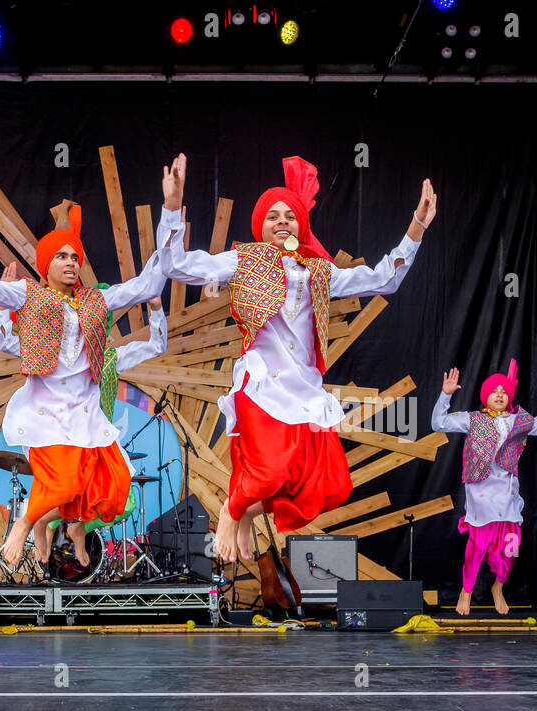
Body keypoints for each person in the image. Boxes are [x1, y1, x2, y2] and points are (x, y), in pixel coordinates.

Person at [155, 153, 437, 563]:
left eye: (290, 215)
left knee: (329, 487)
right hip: (262, 386)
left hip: (304, 392)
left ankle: (244, 512)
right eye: (273, 216)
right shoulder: (244, 262)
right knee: (267, 475)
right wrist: (171, 206)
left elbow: (384, 279)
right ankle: (234, 510)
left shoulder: (319, 273)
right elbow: (176, 265)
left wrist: (417, 227)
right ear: (260, 226)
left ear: (301, 225)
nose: (282, 221)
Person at [0, 203, 167, 569]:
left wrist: (171, 214)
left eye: (75, 257)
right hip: (47, 413)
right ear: (46, 263)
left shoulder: (96, 300)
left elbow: (145, 284)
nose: (71, 262)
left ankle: (69, 526)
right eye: (62, 256)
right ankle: (24, 523)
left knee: (116, 491)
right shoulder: (27, 294)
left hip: (86, 415)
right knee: (64, 486)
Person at [0, 268, 168, 541]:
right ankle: (41, 525)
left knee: (121, 503)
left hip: (96, 436)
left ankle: (70, 527)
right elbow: (6, 341)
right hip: (57, 433)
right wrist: (4, 306)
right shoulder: (45, 347)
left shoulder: (111, 356)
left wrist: (155, 308)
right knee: (66, 489)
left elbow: (156, 345)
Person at [431, 359, 537, 615]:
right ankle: (466, 591)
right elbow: (438, 423)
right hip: (481, 499)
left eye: (504, 391)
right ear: (485, 397)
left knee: (511, 549)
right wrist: (445, 396)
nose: (500, 394)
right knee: (477, 548)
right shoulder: (472, 419)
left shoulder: (520, 421)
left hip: (508, 500)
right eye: (494, 391)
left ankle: (498, 587)